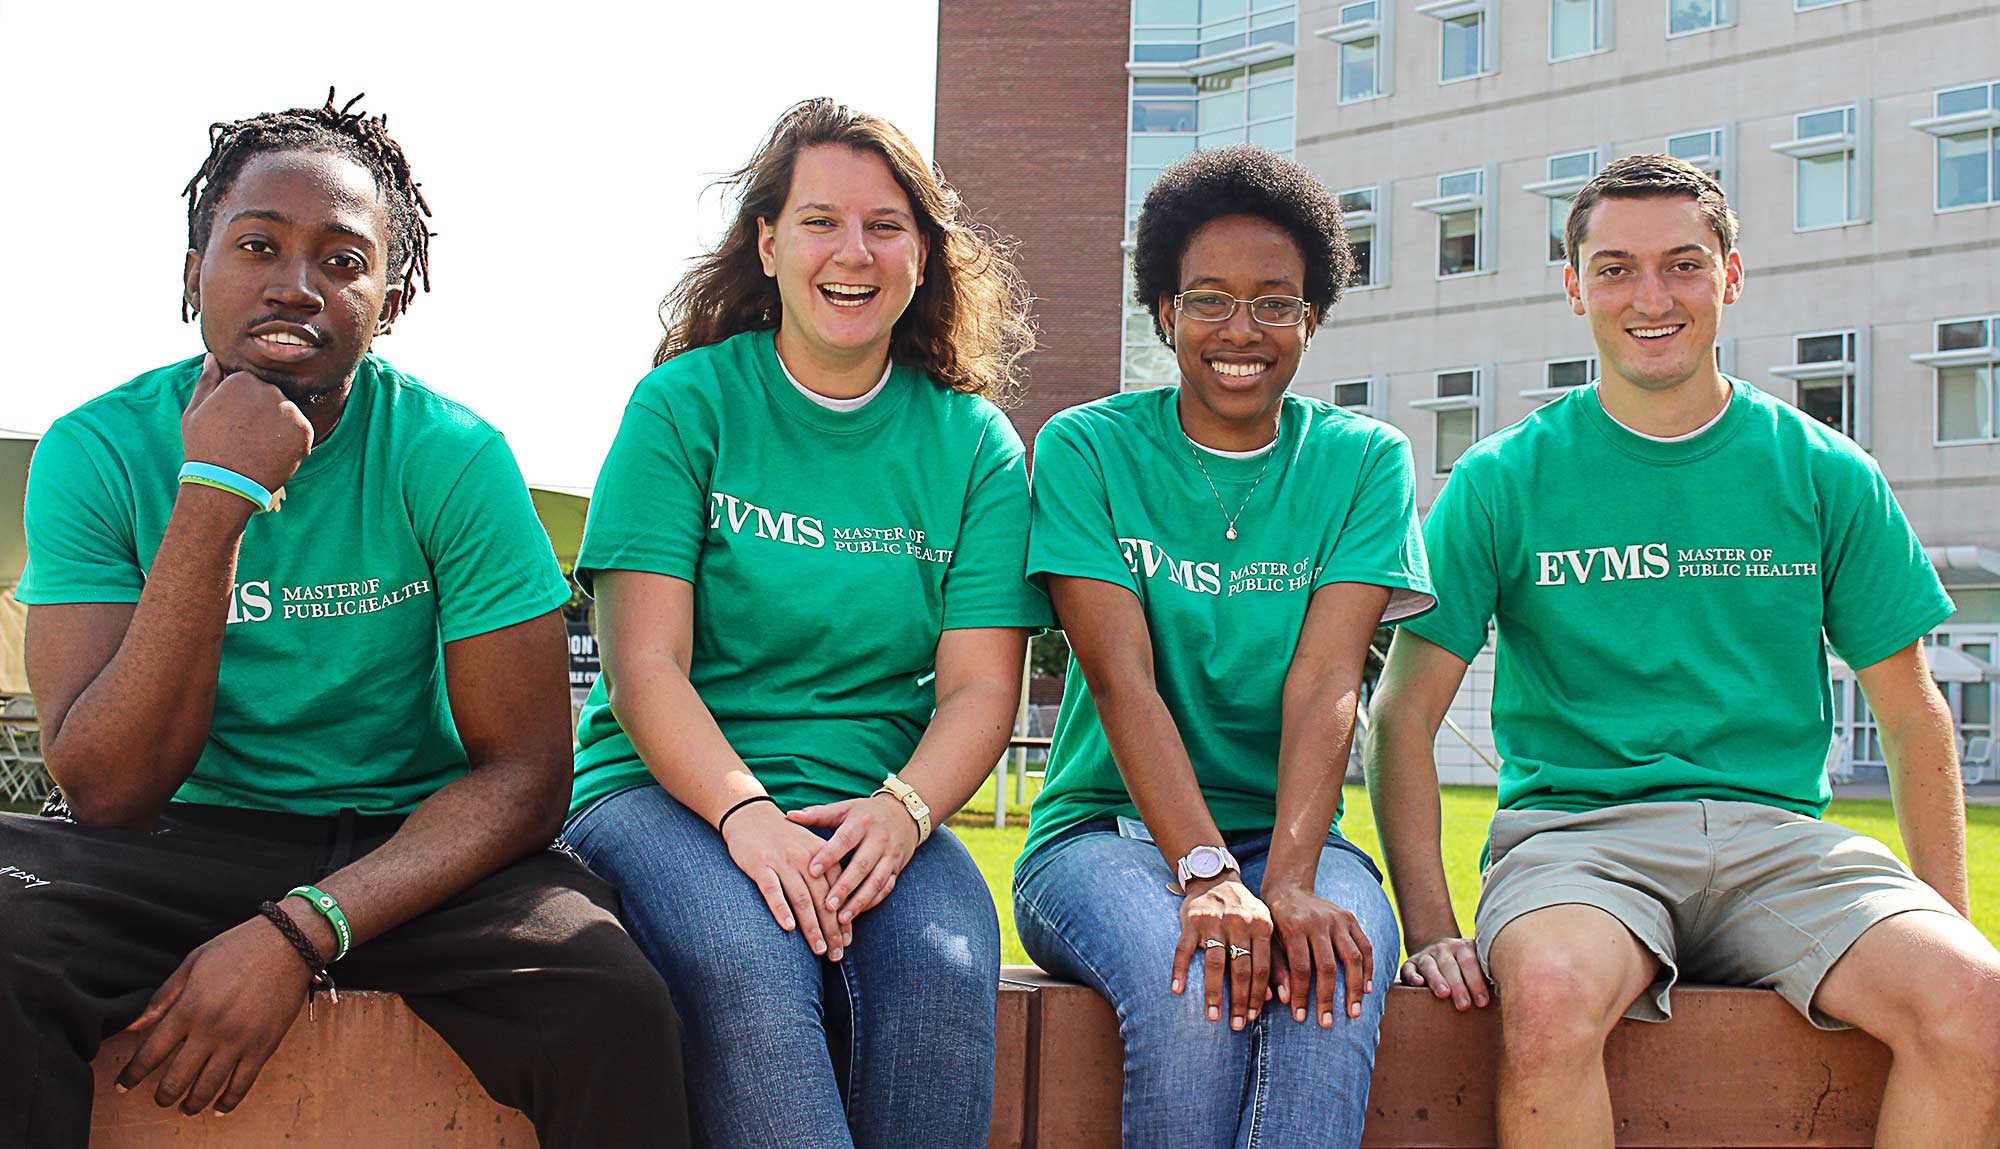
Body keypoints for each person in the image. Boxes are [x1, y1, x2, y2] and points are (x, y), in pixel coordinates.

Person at [0, 92, 690, 1149]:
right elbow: (106, 788)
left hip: (404, 847)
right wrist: (213, 497)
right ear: (195, 270)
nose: (295, 284)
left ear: (393, 294)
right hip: (174, 835)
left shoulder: (450, 455)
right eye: (257, 245)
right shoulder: (96, 450)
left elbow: (524, 777)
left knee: (610, 999)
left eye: (341, 259)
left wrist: (300, 930)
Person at [1367, 153, 2000, 1146]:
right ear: (1573, 287)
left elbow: (1910, 711)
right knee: (1545, 994)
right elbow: (1400, 715)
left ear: (1730, 276)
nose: (1648, 296)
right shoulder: (1500, 479)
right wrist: (1432, 927)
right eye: (1614, 267)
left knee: (1974, 1000)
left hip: (1777, 841)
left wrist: (1950, 918)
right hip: (1576, 844)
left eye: (1682, 264)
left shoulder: (1824, 471)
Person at [560, 97, 1047, 1149]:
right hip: (667, 793)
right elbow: (645, 667)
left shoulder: (973, 445)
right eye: (820, 221)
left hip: (876, 808)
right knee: (747, 960)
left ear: (923, 254)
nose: (852, 252)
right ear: (769, 242)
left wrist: (904, 812)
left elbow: (976, 691)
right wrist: (747, 818)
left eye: (885, 226)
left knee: (945, 972)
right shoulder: (684, 406)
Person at [1012, 145, 1435, 1149]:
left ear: (1312, 317)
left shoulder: (1361, 460)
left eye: (1274, 303)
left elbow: (1327, 679)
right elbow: (1122, 681)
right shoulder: (1087, 447)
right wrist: (1206, 874)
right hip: (1104, 838)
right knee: (1196, 977)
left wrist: (1285, 879)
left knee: (1332, 978)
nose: (1239, 331)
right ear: (1162, 311)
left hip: (1292, 837)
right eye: (1207, 300)